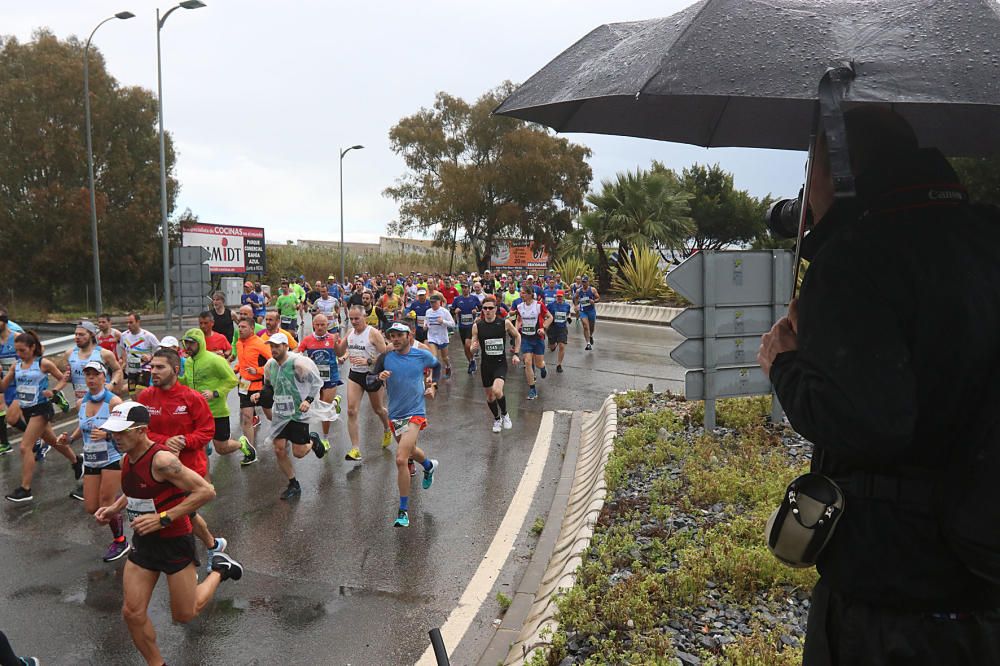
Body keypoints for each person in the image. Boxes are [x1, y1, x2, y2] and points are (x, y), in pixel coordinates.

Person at [757, 107, 1000, 665]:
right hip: (985, 581)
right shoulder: (988, 236)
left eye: (811, 163)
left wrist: (786, 364)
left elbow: (869, 422)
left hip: (892, 599)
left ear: (837, 172)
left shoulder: (856, 261)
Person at [95, 401, 243, 666]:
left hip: (175, 542)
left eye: (122, 432)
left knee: (184, 614)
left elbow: (206, 491)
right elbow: (135, 490)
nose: (115, 438)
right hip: (144, 545)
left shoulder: (163, 460)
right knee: (132, 612)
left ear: (141, 431)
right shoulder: (126, 458)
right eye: (113, 432)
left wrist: (164, 518)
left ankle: (220, 569)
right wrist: (113, 509)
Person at [136, 348, 229, 572]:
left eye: (160, 367)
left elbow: (207, 431)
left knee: (180, 516)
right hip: (157, 468)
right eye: (152, 367)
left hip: (188, 469)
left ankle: (187, 566)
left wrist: (184, 441)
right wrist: (166, 441)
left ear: (175, 370)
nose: (154, 371)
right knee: (184, 514)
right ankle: (213, 545)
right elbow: (141, 431)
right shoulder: (145, 397)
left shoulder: (192, 398)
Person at [59, 360, 129, 561]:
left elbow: (127, 431)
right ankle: (124, 501)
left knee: (105, 508)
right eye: (87, 375)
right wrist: (70, 439)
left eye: (94, 374)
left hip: (112, 458)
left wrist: (107, 435)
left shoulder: (114, 402)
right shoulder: (82, 403)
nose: (90, 378)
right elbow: (84, 426)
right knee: (92, 508)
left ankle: (120, 541)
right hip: (91, 459)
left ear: (103, 377)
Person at [372, 322, 441, 528]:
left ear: (409, 336)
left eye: (399, 335)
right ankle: (428, 465)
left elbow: (437, 367)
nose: (395, 339)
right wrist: (378, 377)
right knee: (410, 452)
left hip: (415, 413)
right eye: (392, 335)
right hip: (396, 415)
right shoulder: (385, 358)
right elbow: (370, 381)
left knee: (401, 458)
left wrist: (433, 385)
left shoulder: (421, 355)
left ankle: (403, 511)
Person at [1, 331, 83, 502]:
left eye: (22, 350)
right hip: (27, 409)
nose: (19, 354)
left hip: (42, 409)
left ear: (32, 348)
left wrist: (53, 391)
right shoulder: (17, 365)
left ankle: (25, 489)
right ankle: (76, 461)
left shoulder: (43, 363)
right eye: (17, 350)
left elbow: (62, 379)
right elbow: (2, 387)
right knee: (53, 440)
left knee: (25, 447)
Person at [254, 333, 329, 500]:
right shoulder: (269, 366)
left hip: (298, 414)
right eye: (271, 346)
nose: (273, 349)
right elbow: (269, 386)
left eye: (277, 346)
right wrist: (260, 395)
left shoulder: (297, 364)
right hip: (280, 413)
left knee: (299, 453)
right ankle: (293, 483)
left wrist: (308, 401)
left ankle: (313, 441)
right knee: (279, 449)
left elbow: (317, 383)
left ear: (286, 347)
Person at [179, 328, 254, 466]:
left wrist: (214, 393)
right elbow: (187, 380)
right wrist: (175, 378)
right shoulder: (188, 362)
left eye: (191, 343)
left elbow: (232, 379)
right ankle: (203, 481)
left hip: (216, 411)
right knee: (197, 448)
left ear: (200, 343)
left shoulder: (214, 360)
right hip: (196, 412)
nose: (188, 347)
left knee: (222, 448)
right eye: (186, 343)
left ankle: (242, 444)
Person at [339, 305, 392, 462]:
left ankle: (387, 428)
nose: (354, 322)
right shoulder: (349, 333)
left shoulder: (373, 333)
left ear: (365, 318)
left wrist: (368, 360)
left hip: (372, 375)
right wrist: (336, 344)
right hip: (355, 375)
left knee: (378, 409)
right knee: (351, 411)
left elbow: (385, 356)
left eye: (357, 318)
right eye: (351, 319)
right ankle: (355, 449)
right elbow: (340, 352)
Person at [470, 295, 521, 433]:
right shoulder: (477, 326)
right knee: (490, 397)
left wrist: (516, 353)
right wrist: (473, 349)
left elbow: (517, 336)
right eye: (485, 308)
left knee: (497, 390)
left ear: (496, 309)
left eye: (490, 308)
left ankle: (505, 414)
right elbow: (473, 345)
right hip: (486, 365)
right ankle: (497, 419)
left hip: (500, 364)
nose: (487, 310)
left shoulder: (504, 323)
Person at [296, 313, 343, 453]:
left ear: (327, 325)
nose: (320, 327)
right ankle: (336, 402)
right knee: (317, 406)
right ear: (313, 325)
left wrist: (343, 356)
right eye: (317, 324)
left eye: (323, 324)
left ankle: (325, 438)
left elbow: (342, 352)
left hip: (330, 378)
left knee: (325, 409)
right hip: (314, 380)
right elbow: (297, 353)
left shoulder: (332, 338)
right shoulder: (307, 340)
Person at [234, 317, 270, 463]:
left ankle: (285, 431)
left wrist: (258, 371)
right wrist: (236, 369)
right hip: (244, 386)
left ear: (251, 328)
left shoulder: (260, 344)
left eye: (243, 327)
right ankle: (251, 452)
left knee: (270, 415)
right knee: (247, 419)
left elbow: (273, 363)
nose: (240, 329)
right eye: (239, 327)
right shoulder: (238, 343)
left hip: (260, 386)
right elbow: (242, 362)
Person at [515, 285, 552, 400]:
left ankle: (542, 367)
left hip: (538, 338)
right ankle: (532, 389)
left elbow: (550, 317)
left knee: (538, 363)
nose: (521, 295)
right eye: (521, 293)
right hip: (526, 338)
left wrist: (543, 328)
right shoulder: (520, 306)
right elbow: (519, 319)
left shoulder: (538, 305)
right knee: (527, 361)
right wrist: (516, 330)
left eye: (523, 293)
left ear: (530, 294)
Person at [0, 309, 23, 456]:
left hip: (23, 384)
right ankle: (41, 440)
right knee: (29, 419)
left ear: (4, 321)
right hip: (7, 385)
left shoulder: (17, 337)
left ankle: (36, 438)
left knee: (12, 418)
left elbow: (38, 353)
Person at [120, 312, 160, 394]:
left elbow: (160, 349)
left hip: (144, 369)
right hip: (131, 370)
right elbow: (123, 349)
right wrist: (123, 364)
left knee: (139, 393)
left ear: (138, 322)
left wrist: (150, 357)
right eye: (127, 322)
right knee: (132, 394)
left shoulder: (148, 336)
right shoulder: (124, 335)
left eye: (131, 322)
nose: (128, 325)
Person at [452, 282, 482, 374]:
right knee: (465, 348)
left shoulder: (474, 298)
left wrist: (476, 311)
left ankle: (472, 361)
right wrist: (455, 311)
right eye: (463, 288)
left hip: (472, 326)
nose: (464, 289)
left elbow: (481, 309)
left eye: (466, 287)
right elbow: (452, 310)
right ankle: (471, 362)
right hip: (462, 326)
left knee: (468, 345)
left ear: (469, 288)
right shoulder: (457, 299)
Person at [424, 293, 456, 379]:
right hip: (432, 337)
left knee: (444, 357)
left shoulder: (444, 312)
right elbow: (426, 321)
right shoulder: (428, 311)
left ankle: (448, 366)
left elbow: (453, 324)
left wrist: (443, 321)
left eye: (434, 302)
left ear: (439, 302)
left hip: (442, 337)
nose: (433, 304)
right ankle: (434, 375)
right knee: (434, 356)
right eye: (431, 303)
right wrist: (425, 326)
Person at [548, 289, 573, 373]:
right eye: (558, 296)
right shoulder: (550, 305)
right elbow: (546, 314)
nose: (559, 298)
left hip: (562, 328)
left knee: (562, 345)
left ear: (563, 297)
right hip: (552, 327)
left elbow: (568, 313)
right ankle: (553, 345)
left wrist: (569, 317)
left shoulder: (567, 305)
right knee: (551, 347)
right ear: (556, 296)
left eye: (560, 296)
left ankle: (559, 364)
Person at [574, 276, 599, 350]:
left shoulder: (592, 290)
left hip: (591, 310)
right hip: (583, 310)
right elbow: (575, 298)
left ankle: (590, 335)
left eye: (585, 282)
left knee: (591, 327)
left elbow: (598, 298)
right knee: (585, 326)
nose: (584, 283)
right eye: (583, 282)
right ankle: (588, 343)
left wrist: (594, 301)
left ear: (588, 282)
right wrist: (576, 306)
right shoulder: (579, 291)